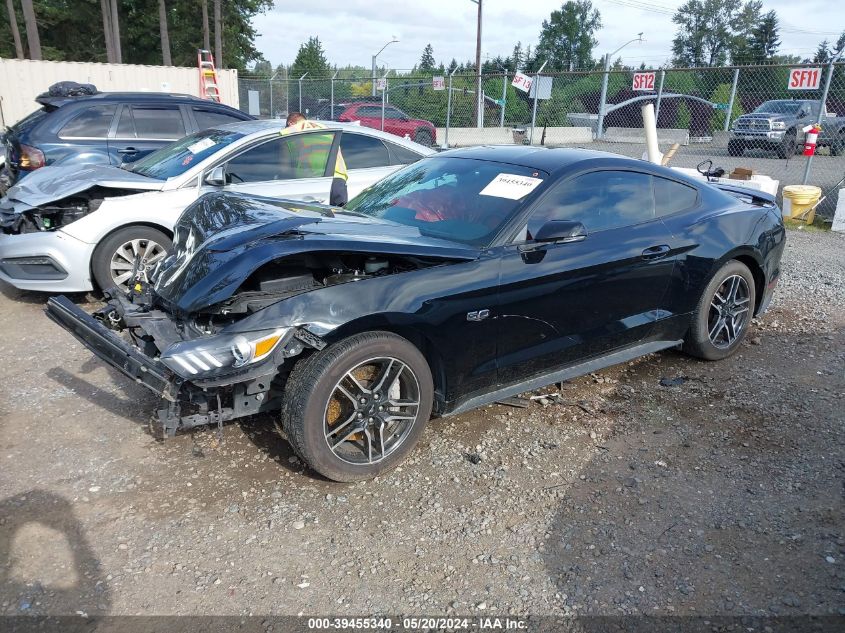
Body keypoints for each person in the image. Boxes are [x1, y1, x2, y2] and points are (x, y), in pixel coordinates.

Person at [282, 112, 348, 206]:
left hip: (314, 181)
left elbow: (284, 169)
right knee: (340, 218)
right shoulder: (324, 127)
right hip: (338, 178)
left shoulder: (289, 133)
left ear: (290, 123)